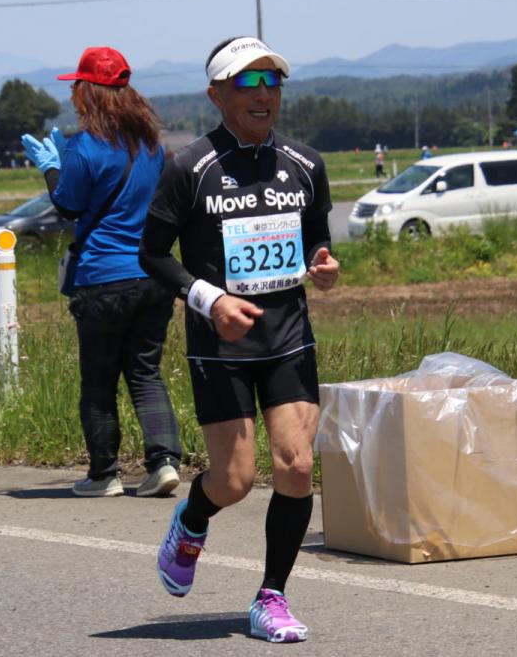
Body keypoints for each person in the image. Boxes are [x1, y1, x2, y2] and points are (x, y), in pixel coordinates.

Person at [139, 36, 340, 644]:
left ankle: (271, 598)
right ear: (216, 94)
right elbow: (151, 254)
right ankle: (193, 518)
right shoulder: (189, 168)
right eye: (247, 83)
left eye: (272, 82)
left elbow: (315, 243)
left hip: (288, 338)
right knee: (232, 480)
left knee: (297, 465)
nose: (263, 94)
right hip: (218, 344)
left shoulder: (306, 165)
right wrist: (211, 299)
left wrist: (324, 266)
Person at [21, 46, 182, 499]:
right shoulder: (153, 146)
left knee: (99, 379)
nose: (73, 93)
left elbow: (68, 204)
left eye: (76, 85)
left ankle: (104, 474)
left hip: (102, 279)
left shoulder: (86, 146)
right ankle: (163, 462)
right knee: (146, 373)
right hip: (152, 276)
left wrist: (52, 168)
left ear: (88, 91)